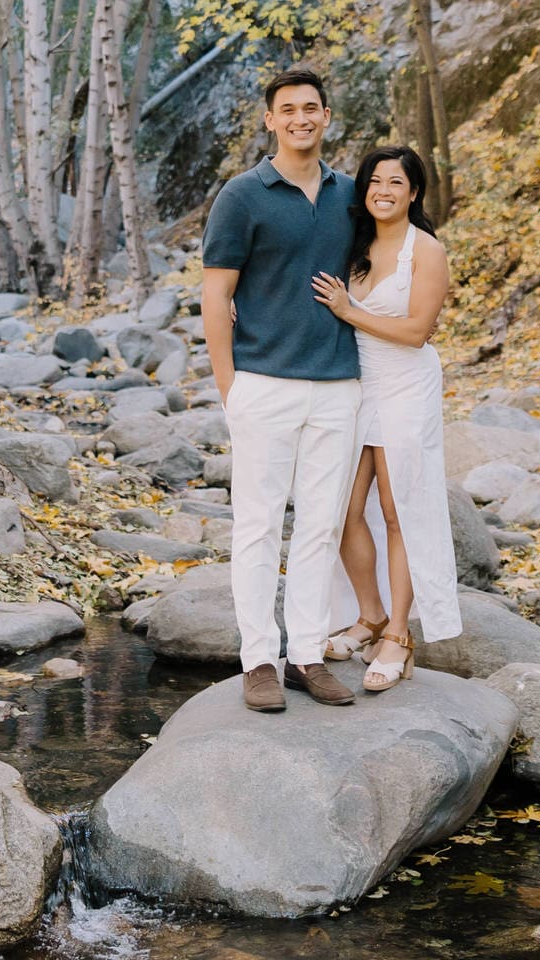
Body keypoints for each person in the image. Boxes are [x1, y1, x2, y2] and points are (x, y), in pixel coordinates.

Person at [201, 69, 364, 714]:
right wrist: (228, 385)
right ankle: (259, 660)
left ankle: (308, 656)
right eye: (288, 109)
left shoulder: (352, 195)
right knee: (259, 526)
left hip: (336, 386)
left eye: (312, 109)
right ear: (269, 120)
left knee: (320, 526)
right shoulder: (241, 196)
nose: (301, 118)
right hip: (262, 383)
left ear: (327, 117)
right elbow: (216, 294)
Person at [310, 144, 458, 692]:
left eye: (395, 182)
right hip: (354, 385)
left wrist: (352, 310)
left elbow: (418, 331)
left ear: (413, 192)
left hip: (405, 385)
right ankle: (368, 615)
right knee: (342, 508)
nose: (383, 191)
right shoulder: (355, 246)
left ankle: (398, 634)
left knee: (399, 511)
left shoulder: (427, 251)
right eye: (374, 181)